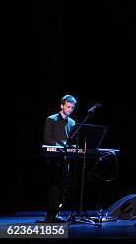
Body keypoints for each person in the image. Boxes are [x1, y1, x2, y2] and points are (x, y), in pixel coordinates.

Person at [43, 94, 77, 222]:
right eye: (68, 107)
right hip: (53, 158)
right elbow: (47, 138)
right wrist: (62, 146)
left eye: (72, 108)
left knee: (64, 186)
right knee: (54, 186)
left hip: (65, 158)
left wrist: (73, 146)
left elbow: (71, 140)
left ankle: (56, 212)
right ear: (62, 106)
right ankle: (50, 214)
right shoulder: (51, 119)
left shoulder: (72, 122)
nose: (70, 110)